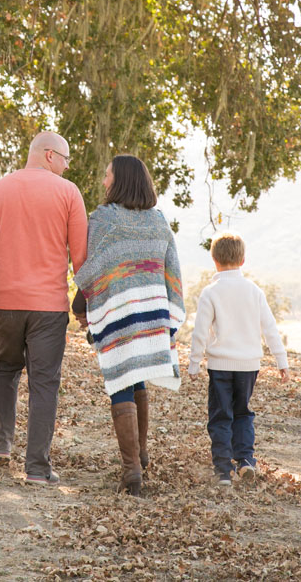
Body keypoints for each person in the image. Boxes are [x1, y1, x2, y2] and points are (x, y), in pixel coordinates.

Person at [0, 131, 88, 485]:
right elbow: (80, 257)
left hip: (3, 301)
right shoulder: (68, 193)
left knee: (4, 370)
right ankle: (37, 467)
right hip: (48, 307)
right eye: (65, 158)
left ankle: (0, 447)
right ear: (49, 155)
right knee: (45, 383)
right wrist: (85, 304)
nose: (67, 166)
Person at [72, 155, 185, 496]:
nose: (104, 182)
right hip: (152, 313)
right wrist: (170, 313)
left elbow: (93, 269)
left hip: (119, 312)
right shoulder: (158, 221)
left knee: (121, 380)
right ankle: (141, 455)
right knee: (137, 377)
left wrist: (79, 305)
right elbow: (173, 270)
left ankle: (132, 470)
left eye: (107, 176)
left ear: (119, 180)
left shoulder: (104, 220)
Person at [188, 231, 290, 487]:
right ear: (243, 260)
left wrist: (193, 363)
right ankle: (245, 461)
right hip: (248, 366)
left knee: (221, 415)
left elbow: (200, 331)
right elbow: (269, 328)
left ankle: (223, 470)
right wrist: (281, 361)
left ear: (214, 260)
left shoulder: (210, 292)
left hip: (220, 366)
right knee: (243, 413)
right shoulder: (254, 291)